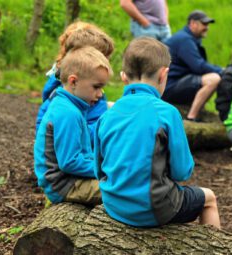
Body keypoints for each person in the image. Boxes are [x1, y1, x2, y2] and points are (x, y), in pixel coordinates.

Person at [94, 37, 220, 229]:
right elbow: (182, 171)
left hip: (112, 203)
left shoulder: (107, 114)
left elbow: (98, 169)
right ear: (163, 75)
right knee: (209, 198)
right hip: (151, 208)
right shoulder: (167, 113)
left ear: (123, 77)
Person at [34, 46, 113, 205]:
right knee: (121, 191)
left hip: (70, 179)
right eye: (96, 87)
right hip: (64, 185)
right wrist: (106, 170)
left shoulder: (71, 106)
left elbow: (81, 153)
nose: (100, 94)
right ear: (73, 81)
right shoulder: (67, 113)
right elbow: (70, 162)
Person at [36, 21, 114, 140]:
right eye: (101, 60)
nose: (106, 65)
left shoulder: (82, 92)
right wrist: (110, 122)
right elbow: (81, 139)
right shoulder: (64, 100)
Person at [163, 10, 222, 121]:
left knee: (211, 76)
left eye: (208, 24)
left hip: (173, 83)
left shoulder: (187, 38)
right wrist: (222, 71)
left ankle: (195, 110)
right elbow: (198, 66)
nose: (207, 27)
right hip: (170, 87)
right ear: (193, 23)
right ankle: (192, 117)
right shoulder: (185, 40)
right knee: (214, 79)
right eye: (204, 24)